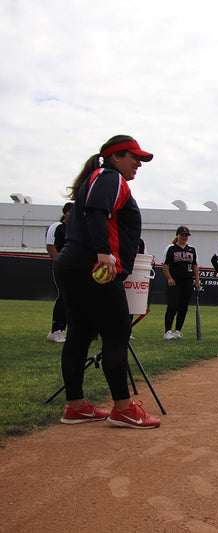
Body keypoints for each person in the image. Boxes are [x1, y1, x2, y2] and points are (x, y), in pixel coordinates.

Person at [54, 134, 160, 429]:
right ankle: (124, 409)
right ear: (116, 156)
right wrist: (103, 253)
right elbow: (97, 212)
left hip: (73, 263)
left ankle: (76, 406)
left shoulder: (99, 177)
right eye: (134, 157)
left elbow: (95, 212)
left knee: (80, 332)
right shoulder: (110, 177)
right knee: (117, 331)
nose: (138, 164)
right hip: (93, 265)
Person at [161, 226, 200, 340]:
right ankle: (167, 332)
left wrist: (197, 280)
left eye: (186, 235)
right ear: (177, 235)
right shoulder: (171, 248)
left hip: (187, 281)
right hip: (174, 281)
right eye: (182, 235)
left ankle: (178, 331)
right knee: (172, 305)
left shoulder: (191, 249)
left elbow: (195, 265)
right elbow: (164, 264)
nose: (184, 237)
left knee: (183, 307)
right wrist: (169, 278)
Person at [45, 202, 73, 343]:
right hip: (61, 267)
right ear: (66, 212)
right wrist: (58, 262)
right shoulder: (57, 227)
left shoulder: (76, 229)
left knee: (71, 298)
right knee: (63, 296)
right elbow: (50, 246)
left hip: (73, 268)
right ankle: (55, 330)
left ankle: (63, 330)